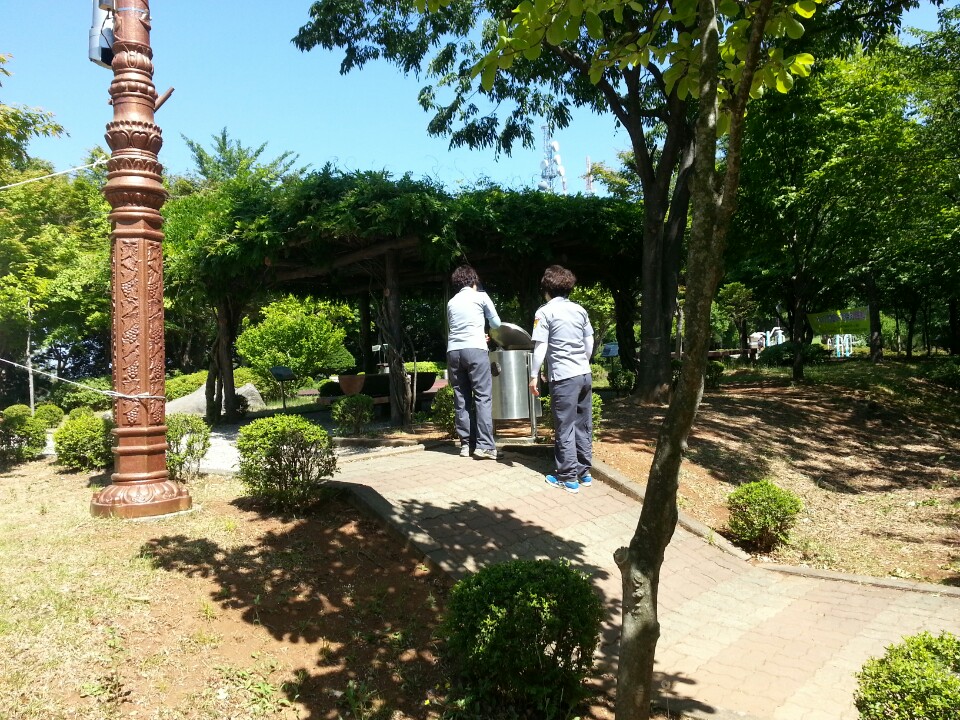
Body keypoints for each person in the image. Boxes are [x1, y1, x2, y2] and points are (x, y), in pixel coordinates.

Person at [529, 265, 594, 493]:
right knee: (583, 424)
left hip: (564, 377)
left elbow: (541, 347)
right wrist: (583, 362)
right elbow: (589, 342)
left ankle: (567, 478)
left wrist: (533, 375)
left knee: (564, 427)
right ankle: (584, 473)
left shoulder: (544, 312)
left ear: (546, 289)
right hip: (584, 374)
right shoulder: (579, 310)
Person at [446, 265, 501, 459]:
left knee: (461, 398)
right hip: (475, 350)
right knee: (482, 396)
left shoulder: (451, 302)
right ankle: (485, 445)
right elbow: (496, 324)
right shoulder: (481, 296)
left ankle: (465, 445)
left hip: (454, 352)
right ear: (474, 281)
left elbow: (457, 328)